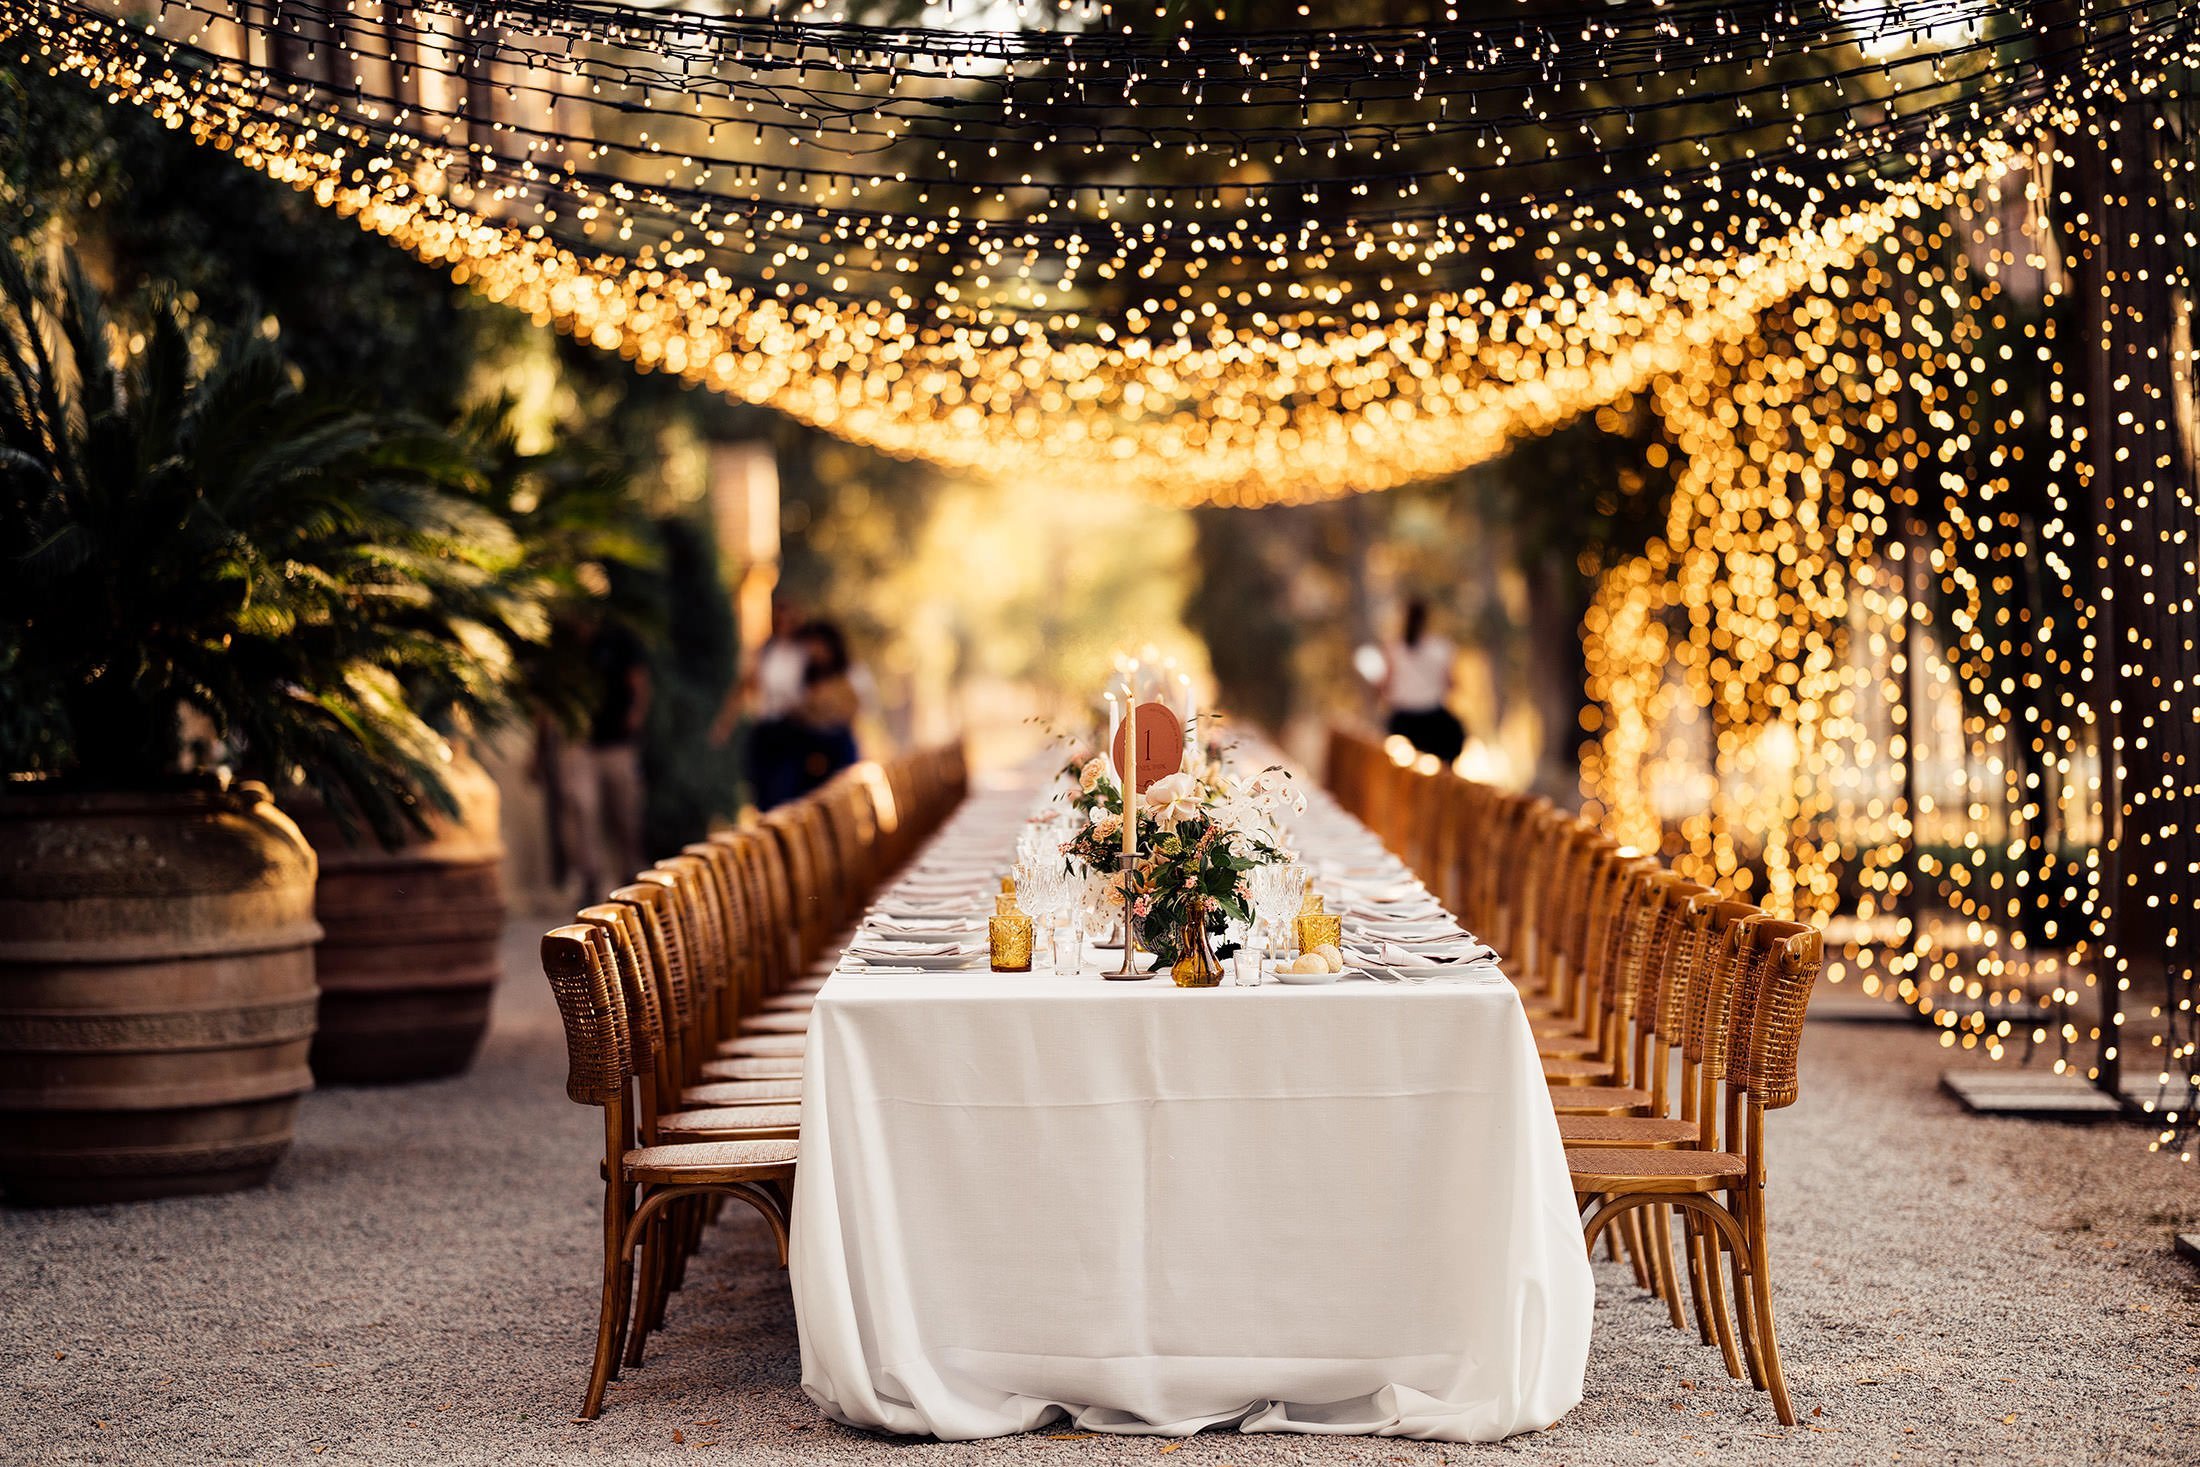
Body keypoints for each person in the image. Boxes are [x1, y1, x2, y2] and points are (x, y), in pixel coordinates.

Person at [549, 606, 650, 901]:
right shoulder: (562, 645)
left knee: (625, 813)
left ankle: (630, 873)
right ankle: (589, 877)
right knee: (580, 807)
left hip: (617, 742)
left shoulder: (619, 639)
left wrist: (635, 717)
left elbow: (640, 682)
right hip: (579, 741)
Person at [724, 598, 812, 810]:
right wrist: (725, 724)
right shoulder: (764, 653)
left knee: (786, 790)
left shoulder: (802, 654)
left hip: (792, 728)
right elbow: (744, 687)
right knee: (763, 790)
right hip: (765, 728)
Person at [1380, 599, 1465, 764]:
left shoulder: (1393, 648)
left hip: (1402, 721)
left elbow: (1385, 685)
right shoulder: (1441, 647)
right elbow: (1451, 684)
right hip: (1435, 722)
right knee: (1450, 752)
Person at [790, 618, 861, 797]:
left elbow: (850, 712)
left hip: (837, 744)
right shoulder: (802, 675)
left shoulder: (847, 676)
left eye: (819, 645)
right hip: (806, 743)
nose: (815, 651)